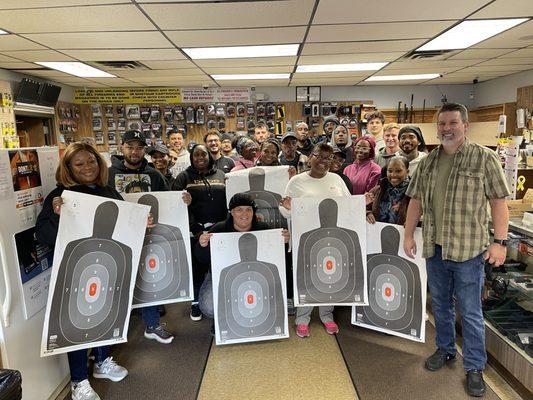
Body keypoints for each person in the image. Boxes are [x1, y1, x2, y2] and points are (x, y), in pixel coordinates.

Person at [403, 103, 510, 398]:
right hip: (435, 248)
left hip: (469, 252)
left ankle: (475, 367)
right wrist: (408, 234)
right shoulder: (427, 162)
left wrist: (500, 243)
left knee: (471, 311)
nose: (447, 128)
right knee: (440, 305)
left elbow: (499, 203)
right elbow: (415, 201)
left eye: (452, 123)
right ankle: (446, 349)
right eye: (442, 124)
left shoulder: (484, 159)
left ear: (465, 125)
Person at [35, 142, 127, 400]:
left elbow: (126, 226)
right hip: (75, 271)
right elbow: (42, 236)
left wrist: (144, 222)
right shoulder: (60, 195)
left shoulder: (108, 191)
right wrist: (56, 215)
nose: (88, 167)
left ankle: (102, 361)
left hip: (107, 267)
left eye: (92, 161)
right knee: (75, 325)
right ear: (68, 168)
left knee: (104, 316)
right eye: (80, 163)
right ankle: (78, 381)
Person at [108, 130, 178, 344]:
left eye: (139, 147)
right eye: (130, 146)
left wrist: (181, 200)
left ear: (144, 150)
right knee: (116, 279)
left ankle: (152, 324)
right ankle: (112, 329)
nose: (135, 151)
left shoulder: (154, 175)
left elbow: (165, 202)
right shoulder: (108, 174)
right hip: (117, 233)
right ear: (122, 148)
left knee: (149, 278)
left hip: (149, 234)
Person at [279, 142, 351, 338]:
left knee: (330, 276)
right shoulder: (296, 181)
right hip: (306, 239)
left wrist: (365, 206)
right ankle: (302, 318)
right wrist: (287, 207)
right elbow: (284, 211)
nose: (324, 161)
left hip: (333, 238)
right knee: (306, 278)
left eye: (328, 158)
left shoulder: (336, 179)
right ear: (311, 156)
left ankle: (327, 316)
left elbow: (348, 205)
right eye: (320, 156)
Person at [195, 193, 290, 322]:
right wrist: (202, 246)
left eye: (248, 209)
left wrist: (283, 243)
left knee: (270, 301)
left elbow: (277, 258)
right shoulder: (218, 230)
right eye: (239, 210)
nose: (244, 214)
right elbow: (202, 259)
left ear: (253, 212)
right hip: (221, 276)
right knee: (209, 306)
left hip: (256, 275)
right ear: (232, 212)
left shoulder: (264, 230)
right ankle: (223, 321)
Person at [172, 144, 227, 321]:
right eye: (196, 155)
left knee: (218, 265)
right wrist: (194, 229)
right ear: (191, 157)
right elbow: (176, 206)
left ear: (209, 156)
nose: (200, 157)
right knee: (196, 268)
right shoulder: (183, 177)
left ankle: (217, 296)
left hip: (220, 230)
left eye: (203, 154)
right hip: (194, 231)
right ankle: (195, 301)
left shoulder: (221, 175)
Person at [366, 156, 410, 225]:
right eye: (390, 171)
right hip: (377, 233)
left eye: (398, 171)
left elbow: (424, 214)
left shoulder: (414, 193)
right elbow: (362, 208)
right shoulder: (377, 190)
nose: (393, 175)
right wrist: (367, 213)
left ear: (407, 172)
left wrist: (414, 222)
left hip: (404, 234)